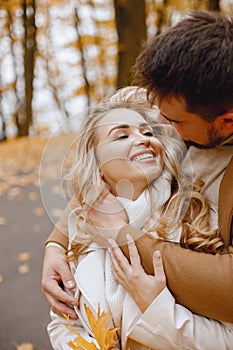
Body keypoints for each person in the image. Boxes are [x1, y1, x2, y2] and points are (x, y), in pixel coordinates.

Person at [42, 10, 233, 325]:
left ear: (227, 121)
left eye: (174, 121)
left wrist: (123, 237)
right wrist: (56, 245)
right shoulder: (172, 102)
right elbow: (104, 168)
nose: (156, 126)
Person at [47, 101, 232, 350]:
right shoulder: (82, 230)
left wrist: (156, 308)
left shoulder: (195, 219)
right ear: (97, 164)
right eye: (122, 135)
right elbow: (63, 324)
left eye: (148, 132)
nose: (144, 139)